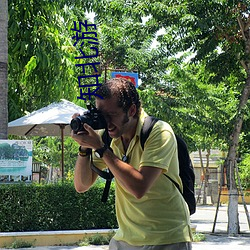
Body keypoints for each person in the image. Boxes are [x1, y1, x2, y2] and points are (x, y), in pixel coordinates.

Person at [71, 78, 192, 250]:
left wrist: (100, 148)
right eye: (101, 115)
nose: (106, 122)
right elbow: (81, 185)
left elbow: (139, 187)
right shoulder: (109, 138)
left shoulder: (159, 132)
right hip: (125, 239)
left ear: (132, 110)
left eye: (111, 115)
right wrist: (84, 148)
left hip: (166, 237)